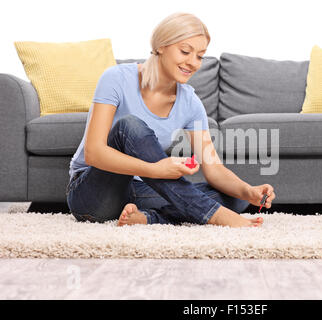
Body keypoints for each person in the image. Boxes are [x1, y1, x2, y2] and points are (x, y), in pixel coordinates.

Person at [66, 12, 276, 228]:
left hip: (142, 191)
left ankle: (148, 218)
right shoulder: (116, 79)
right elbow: (93, 152)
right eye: (185, 51)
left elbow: (214, 169)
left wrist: (248, 191)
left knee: (236, 198)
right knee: (129, 126)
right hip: (94, 194)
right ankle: (216, 216)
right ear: (161, 46)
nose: (193, 63)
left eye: (200, 56)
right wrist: (157, 170)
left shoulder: (190, 102)